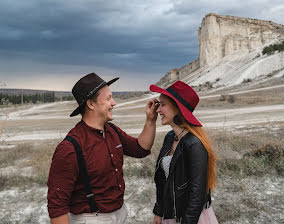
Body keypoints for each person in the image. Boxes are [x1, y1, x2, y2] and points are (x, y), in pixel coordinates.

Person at [47, 73, 159, 224]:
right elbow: (57, 207)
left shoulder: (112, 130)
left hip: (119, 214)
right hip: (92, 219)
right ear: (91, 104)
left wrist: (151, 120)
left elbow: (140, 148)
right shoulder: (70, 148)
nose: (114, 103)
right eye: (108, 98)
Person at [150, 81, 218, 224]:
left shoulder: (194, 143)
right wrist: (159, 212)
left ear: (177, 108)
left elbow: (197, 195)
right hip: (171, 215)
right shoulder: (170, 137)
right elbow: (163, 181)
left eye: (162, 104)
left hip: (192, 218)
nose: (158, 110)